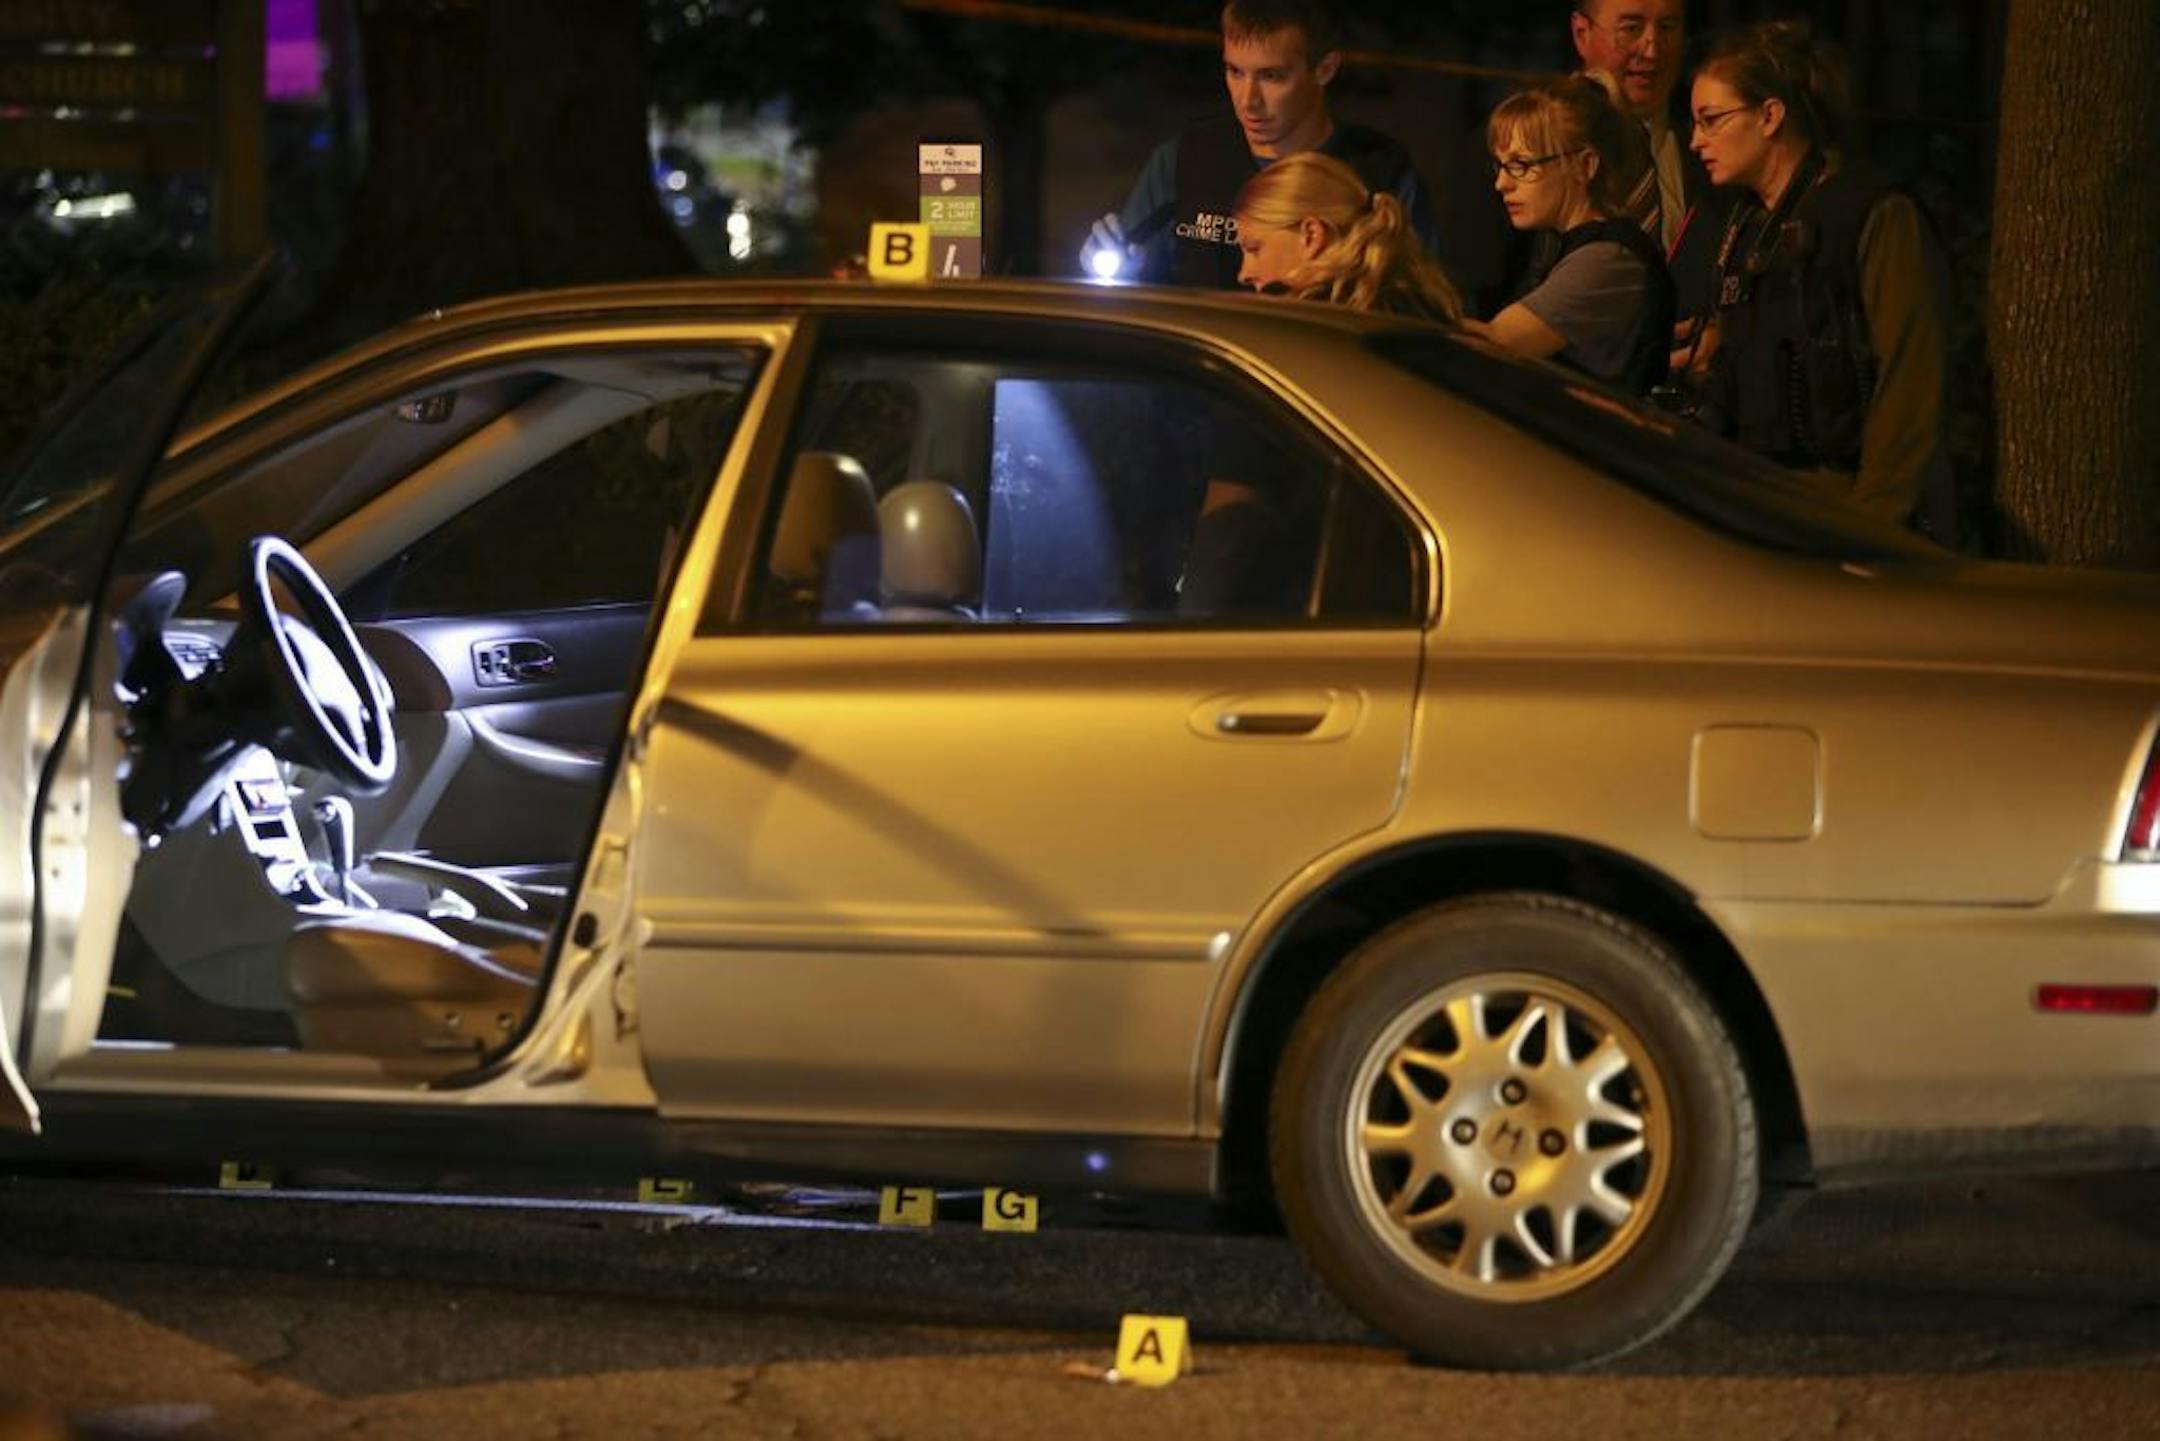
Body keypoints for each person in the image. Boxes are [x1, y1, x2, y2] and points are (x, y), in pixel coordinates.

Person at [1685, 20, 1954, 535]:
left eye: (1711, 119)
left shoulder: (1875, 214)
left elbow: (1912, 378)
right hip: (1762, 510)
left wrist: (1872, 523)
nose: (1695, 140)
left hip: (1845, 514)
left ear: (1770, 116)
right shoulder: (1741, 229)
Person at [1082, 0, 1436, 289]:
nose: (1248, 100)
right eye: (1235, 72)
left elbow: (1419, 309)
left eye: (1272, 76)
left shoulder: (1381, 172)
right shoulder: (1185, 159)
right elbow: (1125, 288)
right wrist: (1122, 274)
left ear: (1325, 69)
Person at [1437, 1, 1724, 323]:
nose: (1652, 50)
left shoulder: (1713, 153)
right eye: (1631, 28)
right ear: (1581, 33)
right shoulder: (1509, 145)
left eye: (1668, 28)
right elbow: (1472, 291)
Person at [1467, 75, 1673, 393]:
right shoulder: (1557, 246)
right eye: (1501, 166)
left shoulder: (1607, 260)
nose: (1502, 184)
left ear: (1584, 166)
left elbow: (1498, 344)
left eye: (1521, 165)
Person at [1231, 151, 1464, 320]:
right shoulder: (1416, 306)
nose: (1244, 274)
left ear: (1311, 236)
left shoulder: (1309, 334)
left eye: (1254, 249)